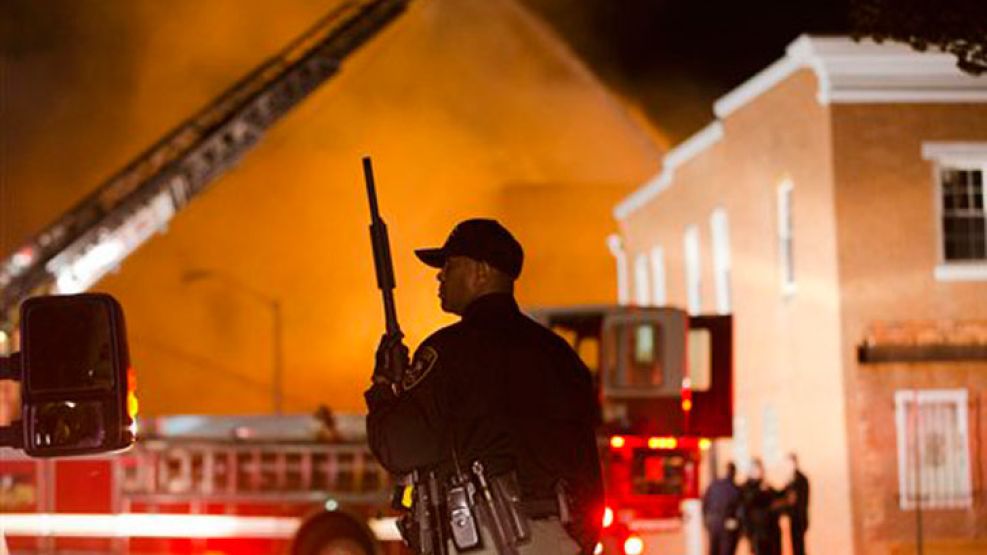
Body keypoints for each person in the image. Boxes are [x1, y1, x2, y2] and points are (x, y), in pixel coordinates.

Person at [364, 219, 604, 554]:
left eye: (449, 265)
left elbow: (400, 448)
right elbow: (589, 470)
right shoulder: (561, 356)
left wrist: (384, 388)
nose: (440, 275)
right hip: (558, 540)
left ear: (481, 272)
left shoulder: (446, 353)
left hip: (485, 540)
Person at [739, 458, 784, 555]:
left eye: (761, 469)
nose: (760, 472)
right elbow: (745, 507)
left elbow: (777, 497)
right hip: (757, 532)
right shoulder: (746, 487)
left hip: (771, 530)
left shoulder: (766, 486)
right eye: (757, 469)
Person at [702, 461, 741, 555]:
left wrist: (707, 521)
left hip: (713, 524)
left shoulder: (713, 485)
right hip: (727, 525)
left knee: (714, 550)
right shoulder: (735, 489)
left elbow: (705, 504)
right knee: (726, 550)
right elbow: (740, 510)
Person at [783, 454, 810, 555]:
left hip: (799, 518)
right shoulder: (791, 479)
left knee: (799, 547)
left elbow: (800, 500)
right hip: (794, 518)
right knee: (795, 546)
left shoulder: (800, 479)